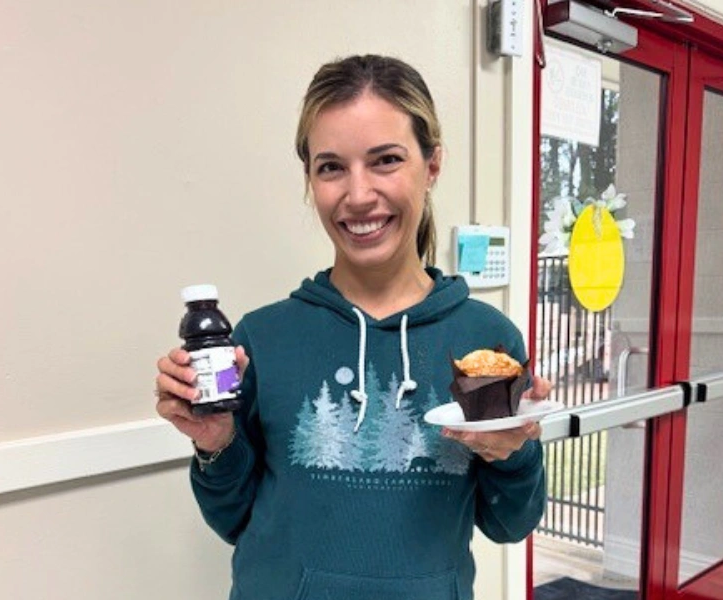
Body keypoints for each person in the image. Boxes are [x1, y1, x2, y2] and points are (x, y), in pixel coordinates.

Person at [156, 54, 550, 600]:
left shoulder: (488, 343)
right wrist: (217, 444)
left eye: (385, 160)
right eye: (331, 166)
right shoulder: (259, 338)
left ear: (432, 165)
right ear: (310, 178)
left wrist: (515, 451)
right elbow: (232, 520)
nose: (358, 195)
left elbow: (511, 524)